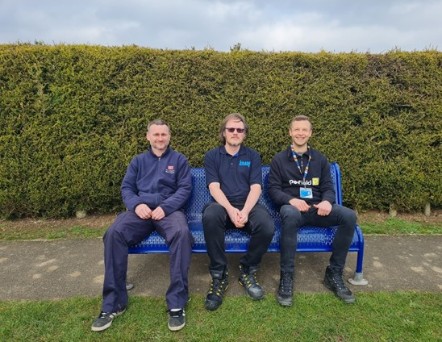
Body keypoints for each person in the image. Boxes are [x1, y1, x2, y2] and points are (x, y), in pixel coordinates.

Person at [91, 119, 193, 332]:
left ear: (169, 136)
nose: (159, 138)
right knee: (114, 233)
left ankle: (176, 303)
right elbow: (127, 188)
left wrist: (165, 207)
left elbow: (184, 189)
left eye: (163, 134)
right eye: (155, 134)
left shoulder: (179, 160)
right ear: (148, 137)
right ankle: (113, 303)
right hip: (141, 212)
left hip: (169, 212)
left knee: (182, 233)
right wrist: (136, 205)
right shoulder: (137, 161)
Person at [268, 115, 357, 307]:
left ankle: (333, 274)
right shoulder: (279, 160)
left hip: (318, 210)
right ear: (290, 132)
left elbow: (328, 187)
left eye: (304, 130)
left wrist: (326, 202)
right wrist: (291, 200)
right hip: (293, 210)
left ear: (310, 133)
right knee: (290, 214)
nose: (300, 133)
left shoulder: (320, 159)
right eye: (296, 129)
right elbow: (274, 190)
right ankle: (287, 278)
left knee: (349, 216)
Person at [202, 113, 274, 311]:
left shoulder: (252, 156)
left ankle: (247, 269)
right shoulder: (212, 156)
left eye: (239, 130)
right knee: (210, 216)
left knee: (267, 226)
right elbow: (214, 188)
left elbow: (255, 188)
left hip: (248, 206)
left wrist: (244, 211)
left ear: (244, 134)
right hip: (222, 206)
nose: (235, 133)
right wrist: (231, 210)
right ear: (223, 133)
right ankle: (219, 275)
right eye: (231, 129)